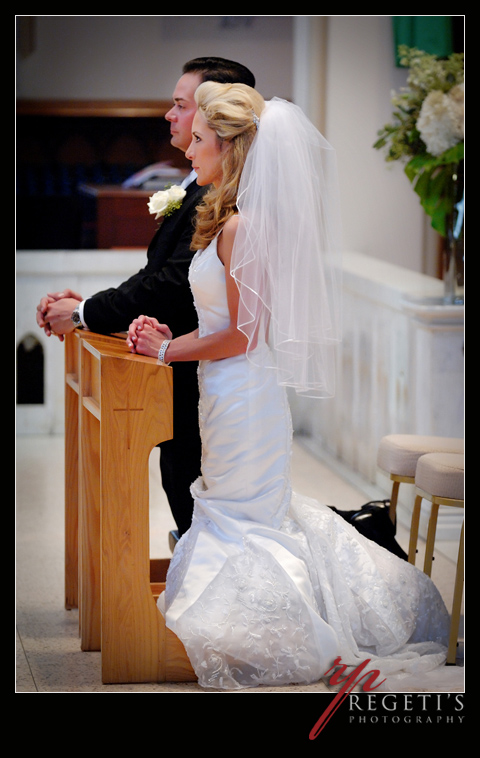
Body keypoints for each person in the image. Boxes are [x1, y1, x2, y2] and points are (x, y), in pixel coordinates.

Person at [126, 81, 459, 692]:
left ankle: (295, 627)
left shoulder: (245, 226)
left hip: (246, 396)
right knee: (236, 510)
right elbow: (224, 320)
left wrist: (169, 348)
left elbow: (247, 336)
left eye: (199, 140)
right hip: (223, 393)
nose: (189, 151)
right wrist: (171, 332)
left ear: (229, 150)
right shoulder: (227, 219)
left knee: (244, 518)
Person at [35, 57, 256, 543]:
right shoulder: (201, 188)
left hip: (210, 375)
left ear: (220, 126)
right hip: (198, 369)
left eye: (183, 108)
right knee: (191, 495)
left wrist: (89, 315)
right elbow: (162, 275)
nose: (172, 118)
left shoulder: (228, 207)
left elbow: (173, 287)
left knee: (206, 498)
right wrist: (91, 306)